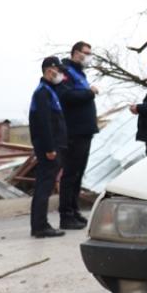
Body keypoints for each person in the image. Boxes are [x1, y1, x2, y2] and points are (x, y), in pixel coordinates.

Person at [54, 41, 99, 230]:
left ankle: (74, 210)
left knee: (79, 173)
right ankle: (66, 214)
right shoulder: (65, 72)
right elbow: (66, 97)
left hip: (85, 131)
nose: (88, 56)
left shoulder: (80, 73)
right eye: (85, 53)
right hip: (73, 131)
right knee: (70, 174)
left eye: (90, 53)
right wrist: (89, 93)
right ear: (75, 53)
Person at [29, 57, 68, 238]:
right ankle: (40, 226)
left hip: (53, 146)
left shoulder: (50, 91)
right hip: (48, 149)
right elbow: (44, 123)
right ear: (48, 70)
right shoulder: (42, 93)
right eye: (57, 70)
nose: (60, 74)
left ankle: (39, 224)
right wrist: (50, 148)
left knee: (45, 185)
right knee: (44, 186)